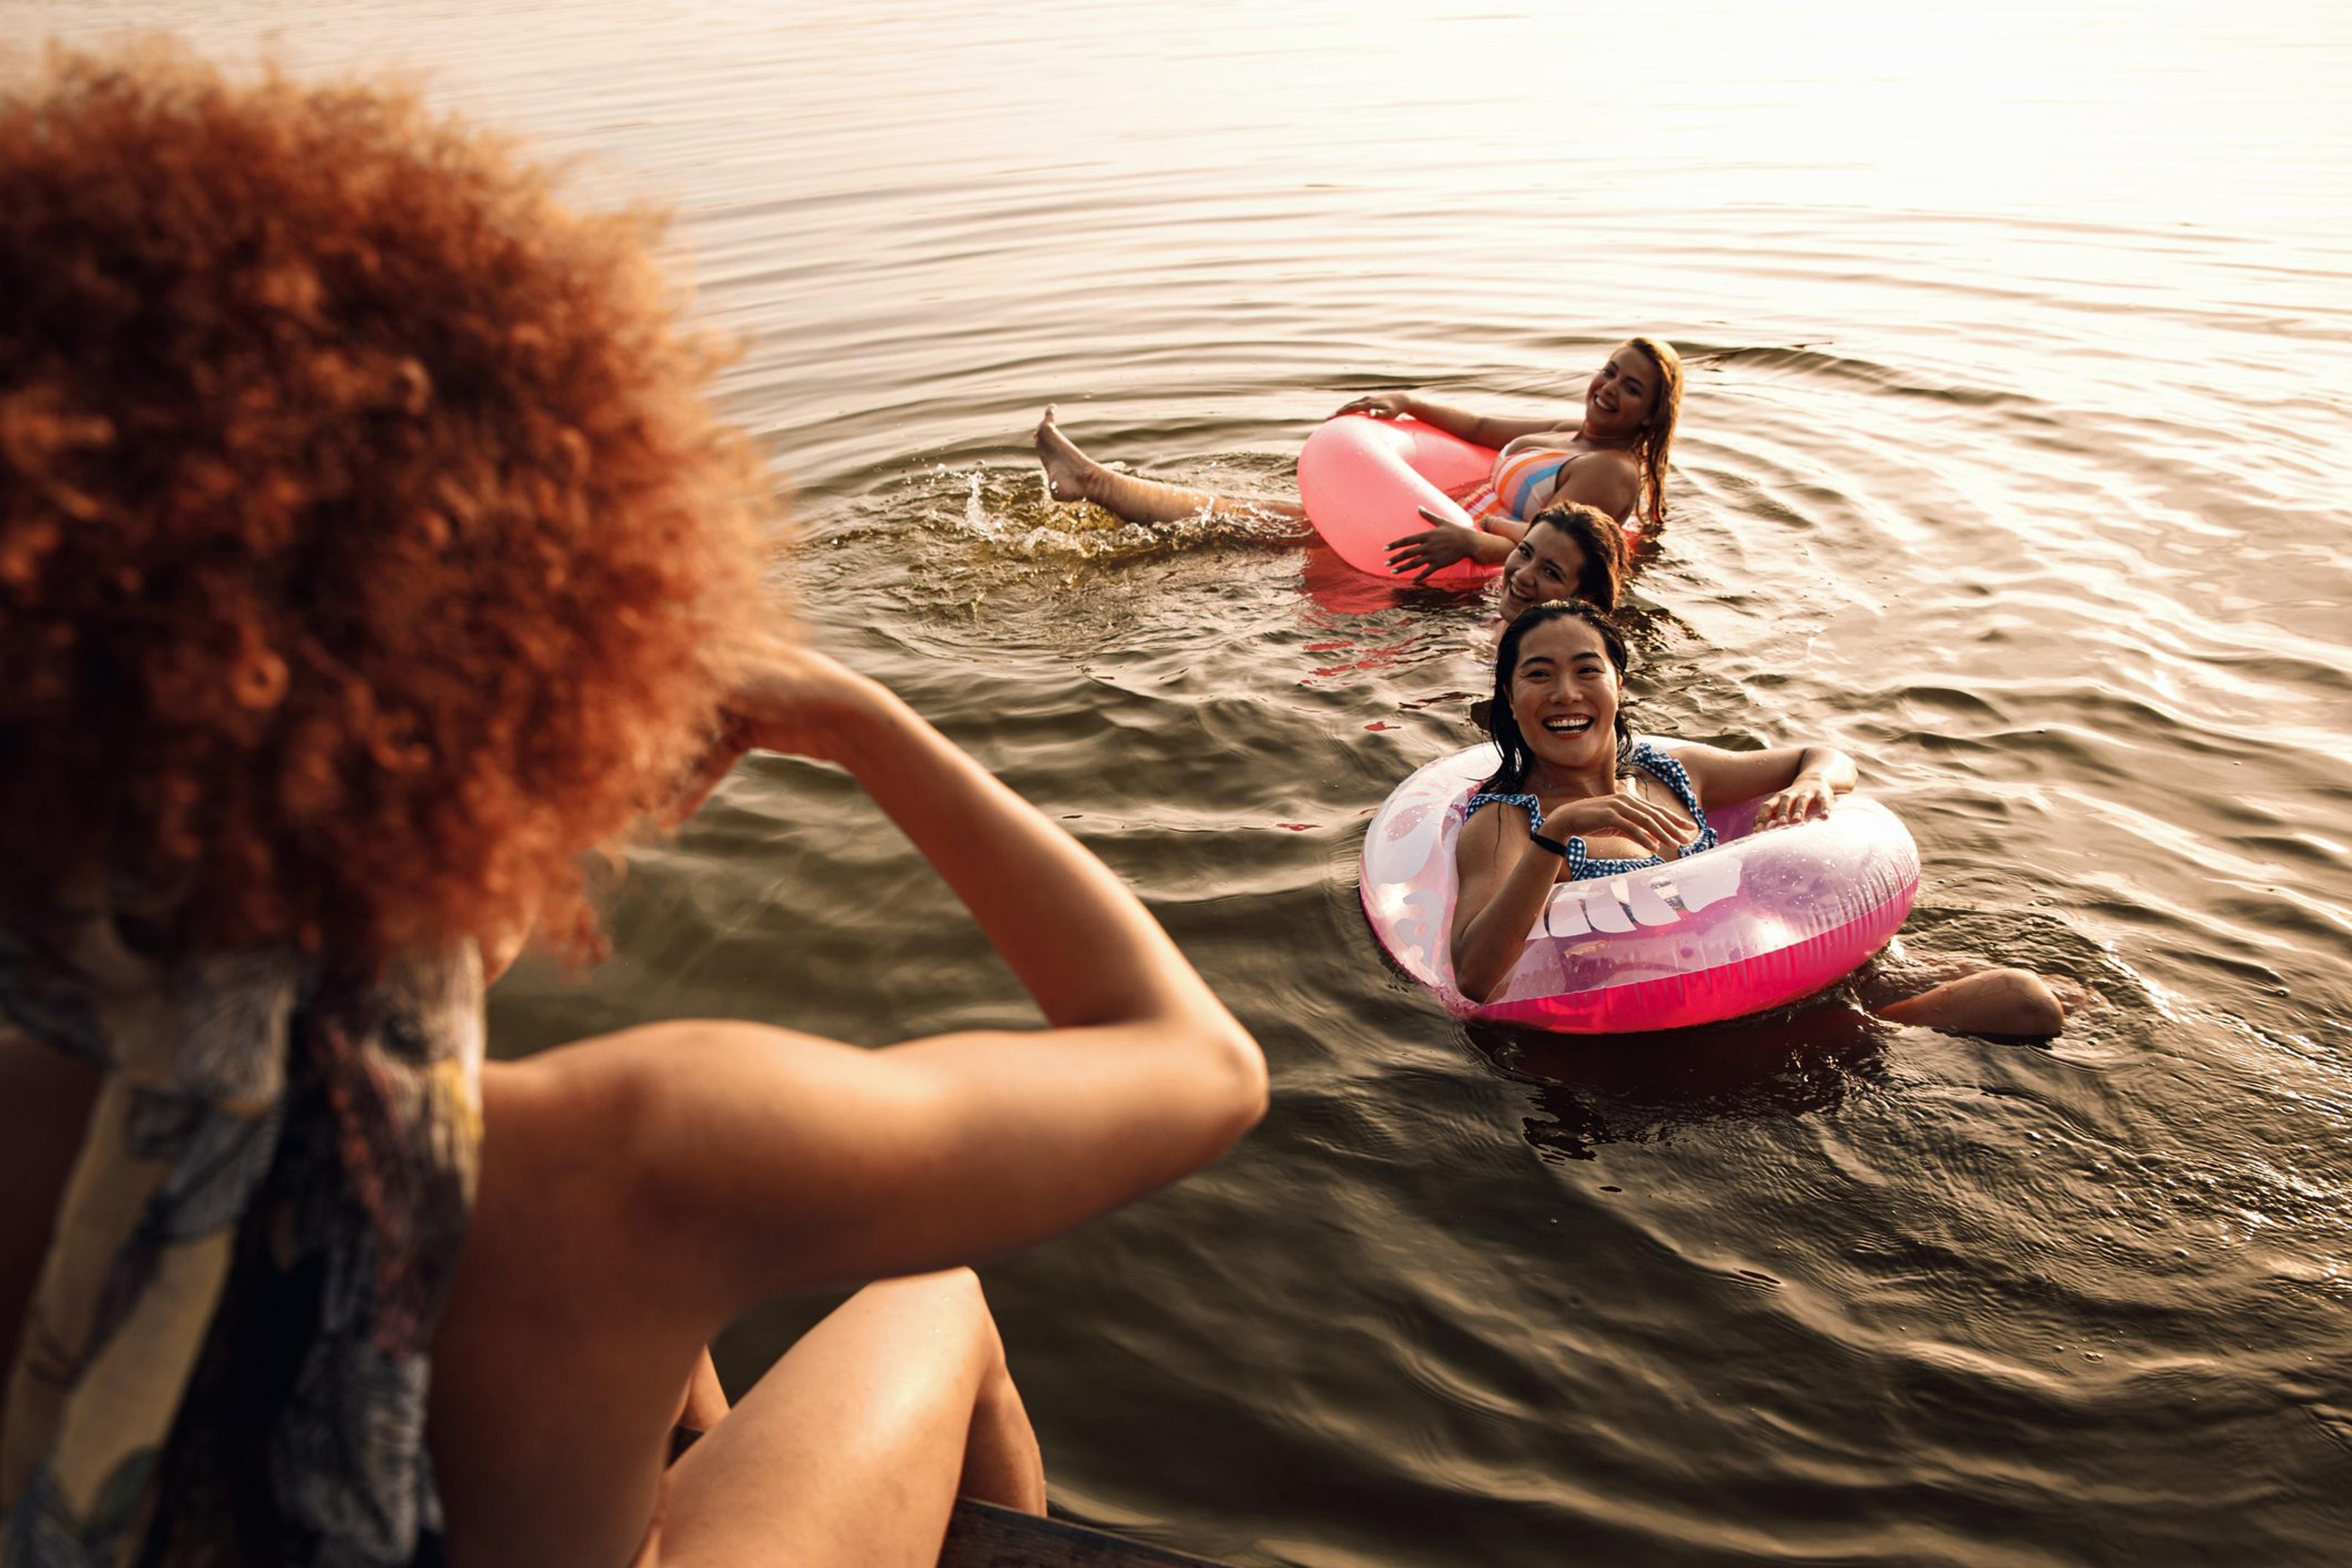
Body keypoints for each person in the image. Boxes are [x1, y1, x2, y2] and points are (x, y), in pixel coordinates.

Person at [0, 49, 1266, 1568]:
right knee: (932, 1297)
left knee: (667, 1351)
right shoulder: (634, 1157)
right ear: (543, 716)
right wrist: (866, 724)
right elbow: (1198, 1064)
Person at [1448, 602, 2069, 1034]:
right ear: (1510, 698)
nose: (1565, 693)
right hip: (1687, 1018)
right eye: (1538, 675)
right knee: (2023, 1002)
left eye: (1588, 670)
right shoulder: (1506, 822)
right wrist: (1557, 835)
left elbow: (1819, 754)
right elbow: (1476, 975)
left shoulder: (1671, 771)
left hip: (1791, 965)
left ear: (1619, 684)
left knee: (2066, 997)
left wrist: (1815, 782)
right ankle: (1878, 1031)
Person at [1031, 336, 1683, 581]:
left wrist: (1471, 539)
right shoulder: (1576, 430)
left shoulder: (1610, 471)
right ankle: (1092, 483)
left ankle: (1094, 484)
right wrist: (1404, 400)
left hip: (1464, 558)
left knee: (1250, 529)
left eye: (1631, 388)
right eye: (1609, 371)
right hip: (1444, 521)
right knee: (1249, 523)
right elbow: (1482, 423)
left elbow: (1556, 555)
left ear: (1651, 415)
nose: (1609, 389)